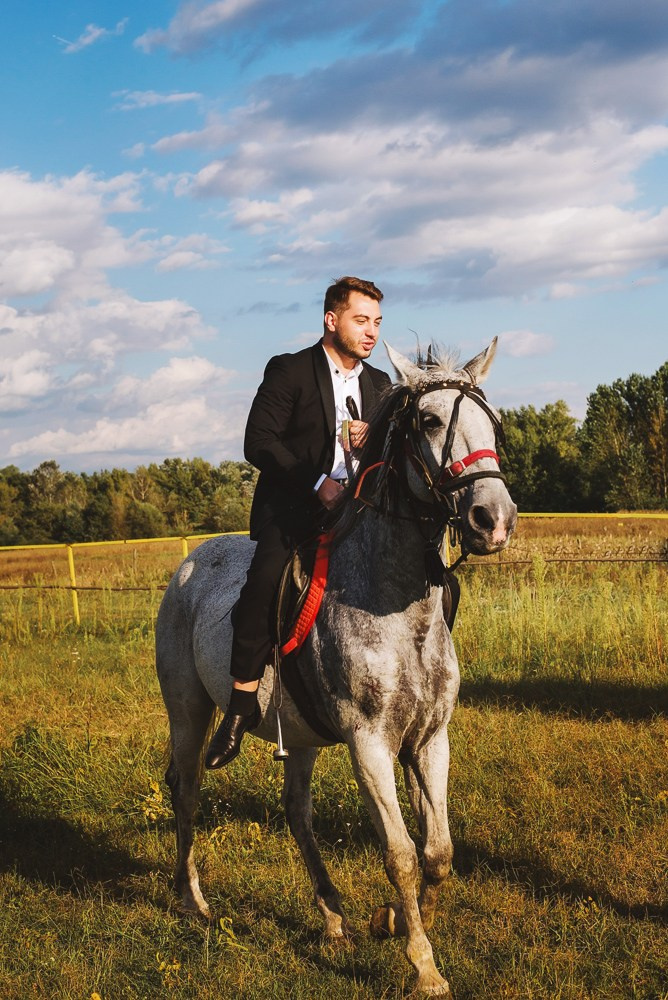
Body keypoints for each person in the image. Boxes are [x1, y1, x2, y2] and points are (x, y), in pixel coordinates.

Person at [205, 276, 391, 769]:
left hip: (358, 511)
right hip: (292, 508)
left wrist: (366, 445)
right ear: (332, 320)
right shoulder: (289, 370)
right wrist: (317, 481)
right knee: (264, 582)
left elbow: (388, 459)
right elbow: (259, 442)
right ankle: (240, 706)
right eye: (360, 320)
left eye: (376, 322)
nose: (370, 332)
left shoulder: (380, 385)